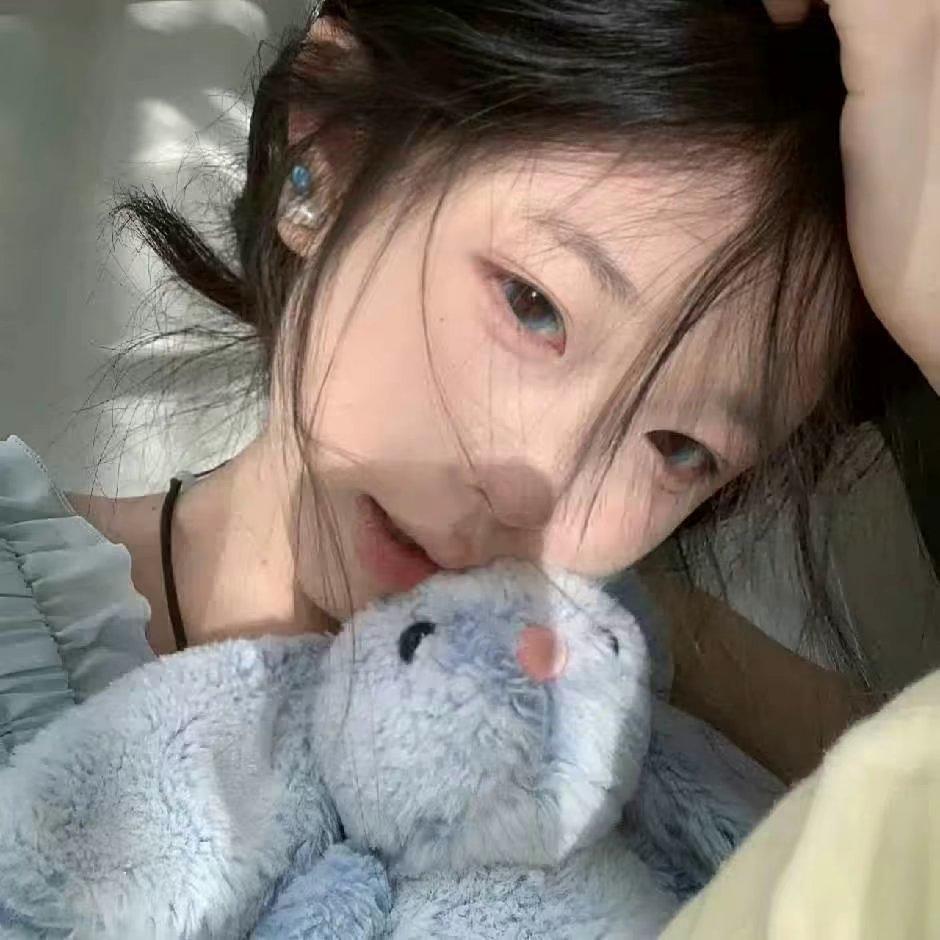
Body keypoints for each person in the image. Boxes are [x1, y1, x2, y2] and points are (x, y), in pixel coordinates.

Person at [0, 0, 937, 933]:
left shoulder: (667, 689)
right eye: (533, 304)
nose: (540, 489)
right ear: (328, 150)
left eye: (678, 448)